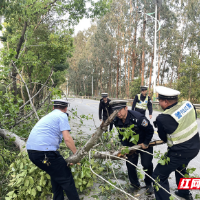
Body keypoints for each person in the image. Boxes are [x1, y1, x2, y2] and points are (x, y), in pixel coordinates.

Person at [152, 86, 200, 200]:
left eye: (159, 101)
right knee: (181, 168)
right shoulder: (188, 104)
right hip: (195, 148)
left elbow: (163, 137)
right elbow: (194, 118)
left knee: (158, 176)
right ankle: (185, 193)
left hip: (179, 152)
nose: (159, 103)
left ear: (166, 101)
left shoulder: (163, 118)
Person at [26, 99, 80, 200]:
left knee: (56, 175)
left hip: (32, 152)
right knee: (66, 179)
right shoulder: (62, 115)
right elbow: (67, 139)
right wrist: (76, 154)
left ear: (53, 107)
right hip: (45, 153)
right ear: (65, 108)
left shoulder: (49, 116)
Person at [110, 100, 154, 194]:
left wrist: (145, 143)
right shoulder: (116, 120)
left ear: (126, 108)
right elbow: (121, 134)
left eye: (119, 110)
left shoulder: (138, 118)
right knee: (130, 164)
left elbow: (150, 130)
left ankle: (149, 184)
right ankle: (135, 185)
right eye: (115, 111)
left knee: (146, 164)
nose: (117, 113)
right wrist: (124, 147)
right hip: (130, 146)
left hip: (144, 144)